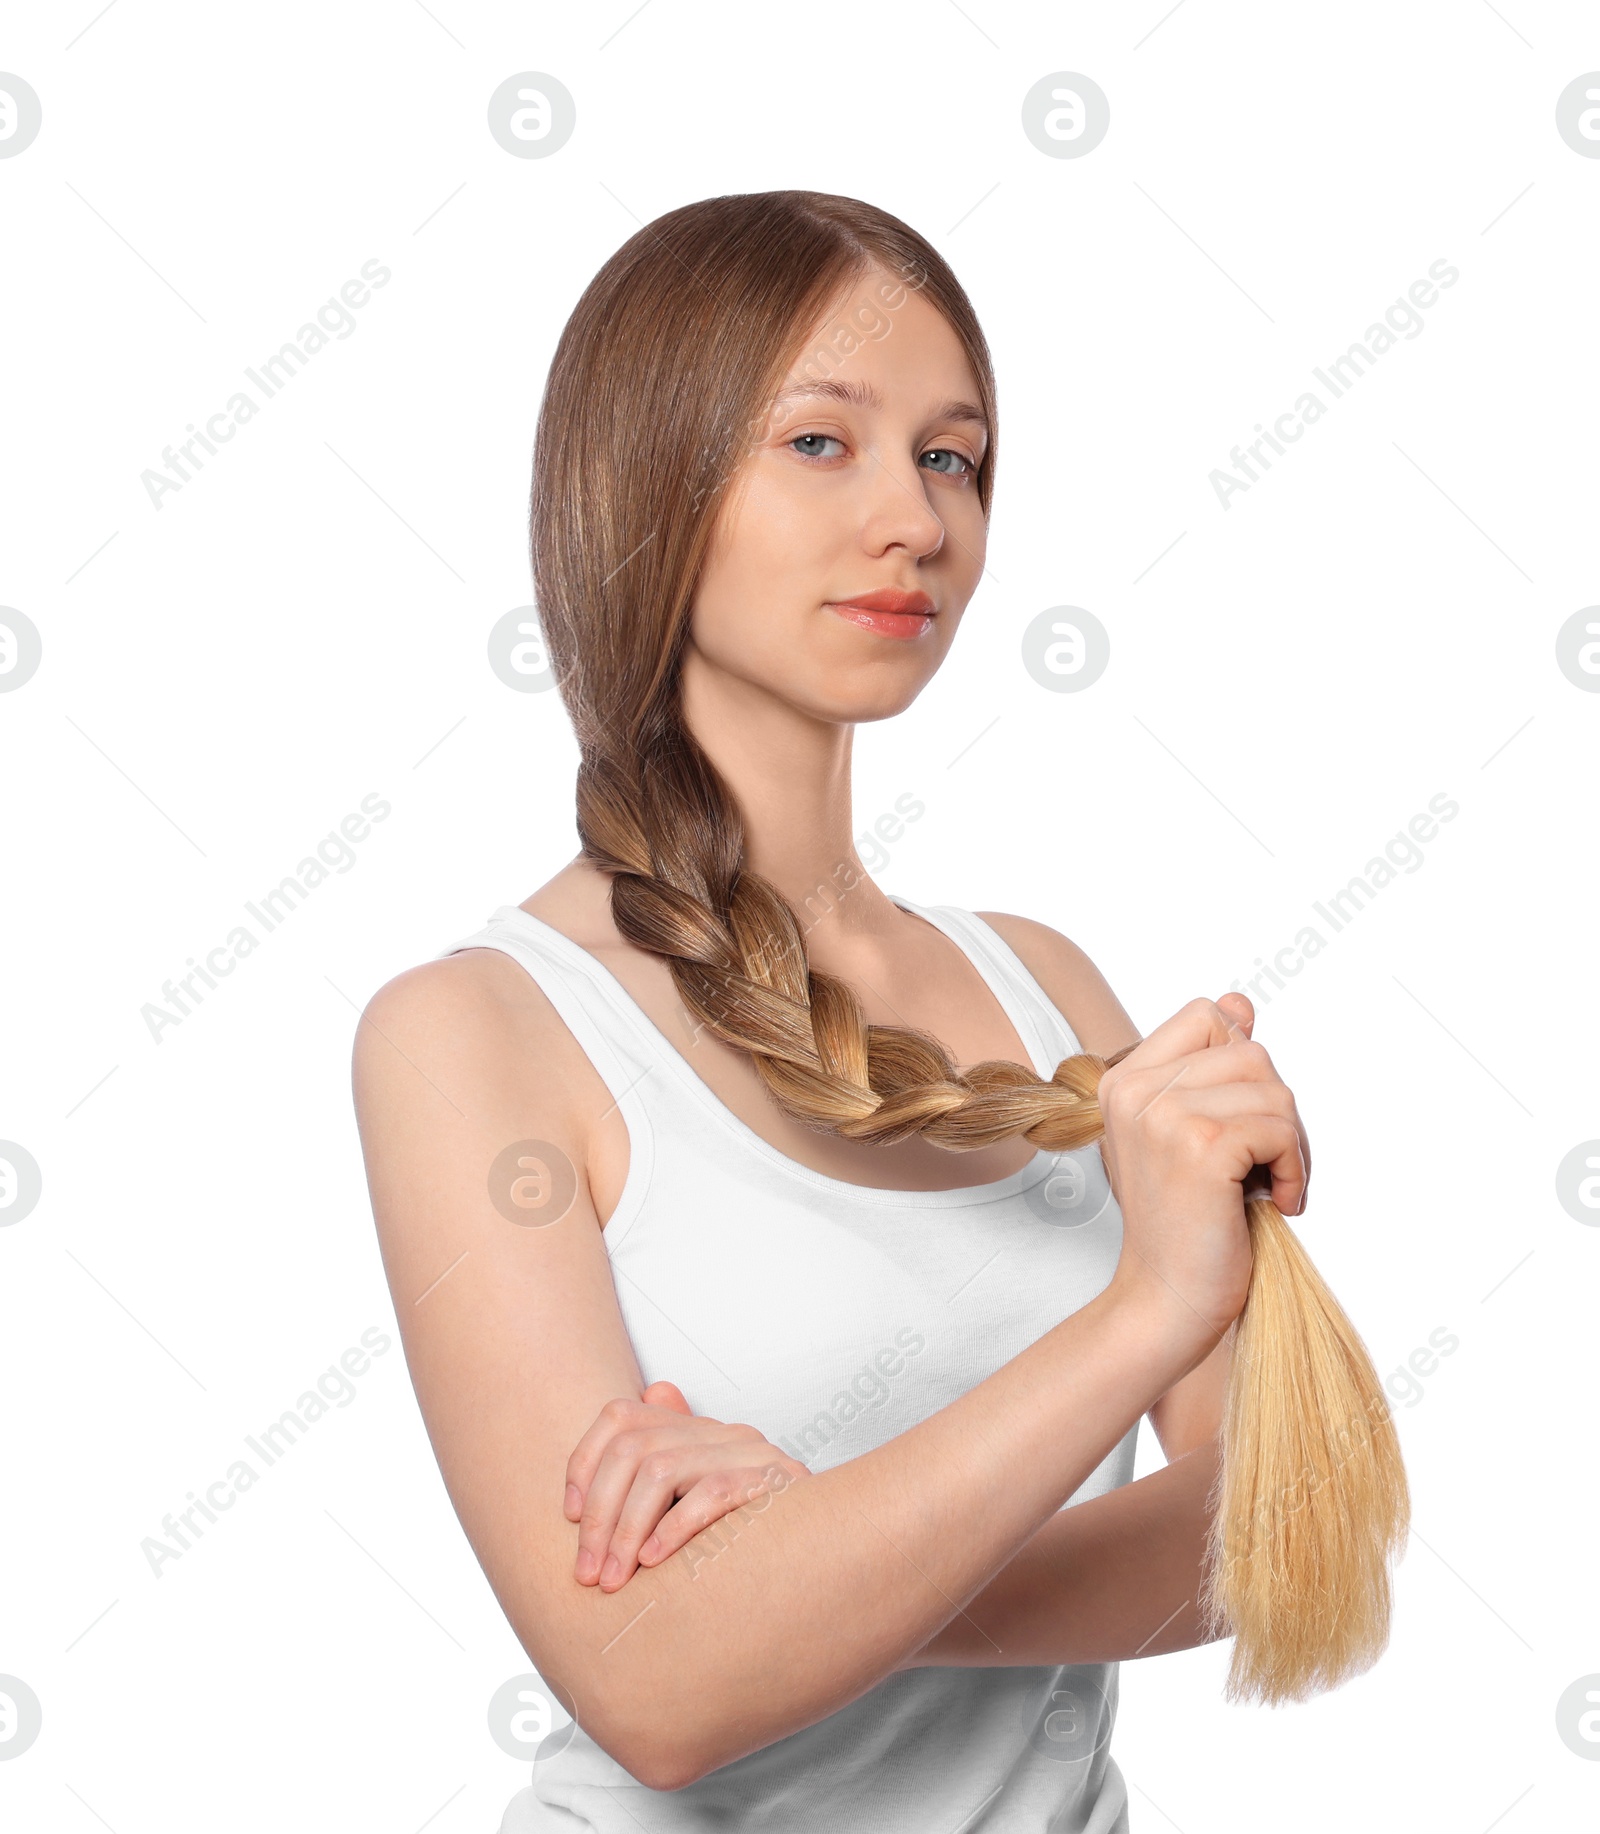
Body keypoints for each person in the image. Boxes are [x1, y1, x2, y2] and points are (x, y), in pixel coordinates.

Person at [351, 189, 1310, 1831]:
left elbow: (1281, 1537)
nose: (918, 521)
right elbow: (657, 1690)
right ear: (646, 485)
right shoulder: (473, 1033)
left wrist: (816, 1556)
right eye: (821, 442)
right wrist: (1144, 1313)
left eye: (953, 455)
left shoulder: (1051, 982)